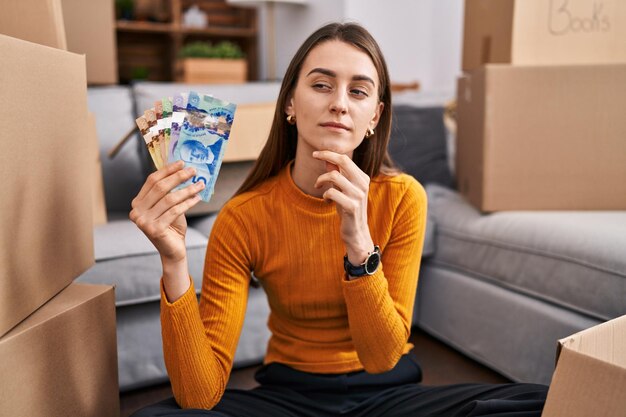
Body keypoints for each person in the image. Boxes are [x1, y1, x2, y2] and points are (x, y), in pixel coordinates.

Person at [129, 22, 548, 417]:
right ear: (291, 102)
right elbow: (198, 397)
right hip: (289, 397)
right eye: (321, 85)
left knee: (541, 401)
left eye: (359, 91)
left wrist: (360, 246)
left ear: (375, 117)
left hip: (388, 395)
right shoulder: (243, 217)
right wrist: (174, 262)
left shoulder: (404, 197)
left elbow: (382, 357)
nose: (339, 103)